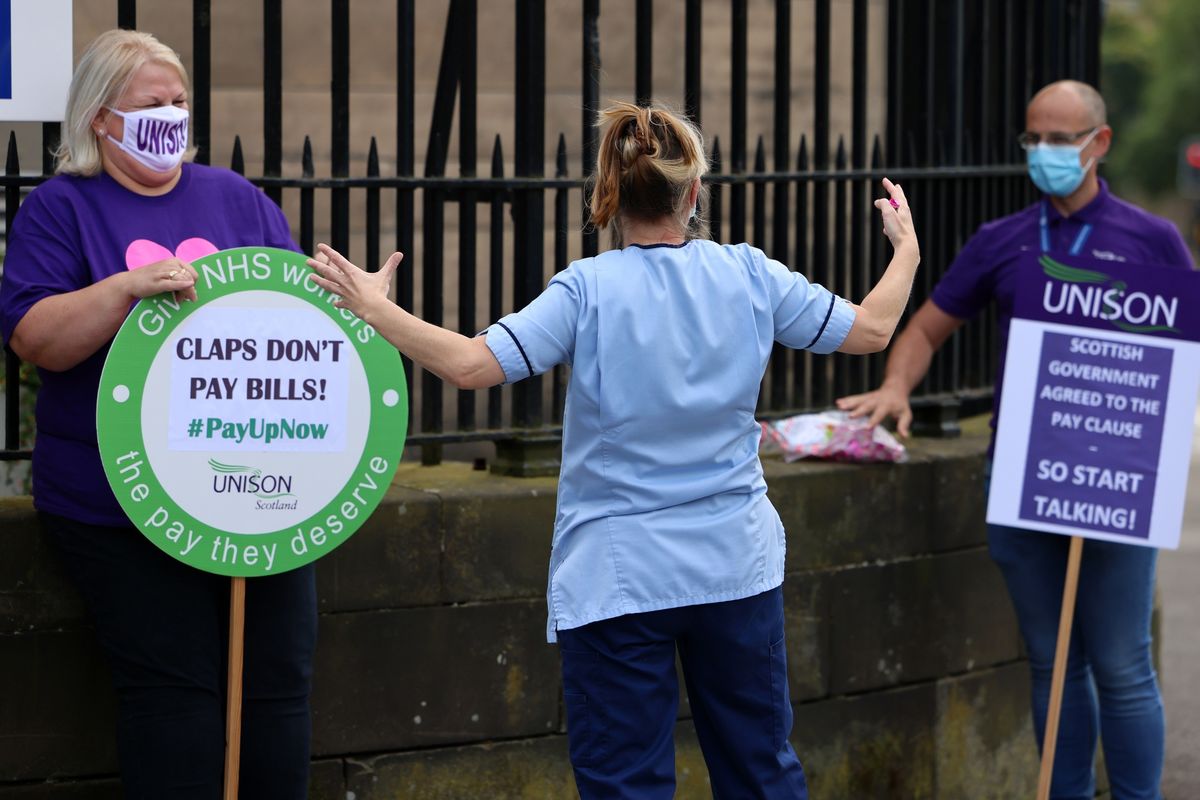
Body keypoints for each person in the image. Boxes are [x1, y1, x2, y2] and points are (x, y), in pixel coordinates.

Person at [307, 101, 920, 798]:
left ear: (608, 195)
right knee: (760, 772)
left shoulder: (587, 290)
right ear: (694, 194)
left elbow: (470, 367)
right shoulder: (751, 275)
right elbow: (872, 329)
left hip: (618, 576)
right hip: (736, 565)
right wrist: (905, 251)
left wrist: (377, 309)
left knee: (626, 785)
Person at [837, 80, 1193, 800]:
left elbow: (1181, 354)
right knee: (1053, 662)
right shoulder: (999, 240)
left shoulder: (1154, 240)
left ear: (1100, 144)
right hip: (1023, 481)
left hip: (1117, 486)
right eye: (1035, 139)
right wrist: (897, 386)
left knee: (1123, 665)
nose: (1046, 152)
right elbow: (927, 327)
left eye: (1062, 140)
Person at [0, 30, 315, 798]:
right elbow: (36, 338)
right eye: (152, 106)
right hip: (122, 506)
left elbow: (293, 314)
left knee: (276, 691)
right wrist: (124, 291)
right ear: (101, 120)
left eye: (179, 104)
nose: (171, 118)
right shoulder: (60, 209)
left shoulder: (237, 200)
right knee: (176, 706)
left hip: (253, 497)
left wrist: (342, 299)